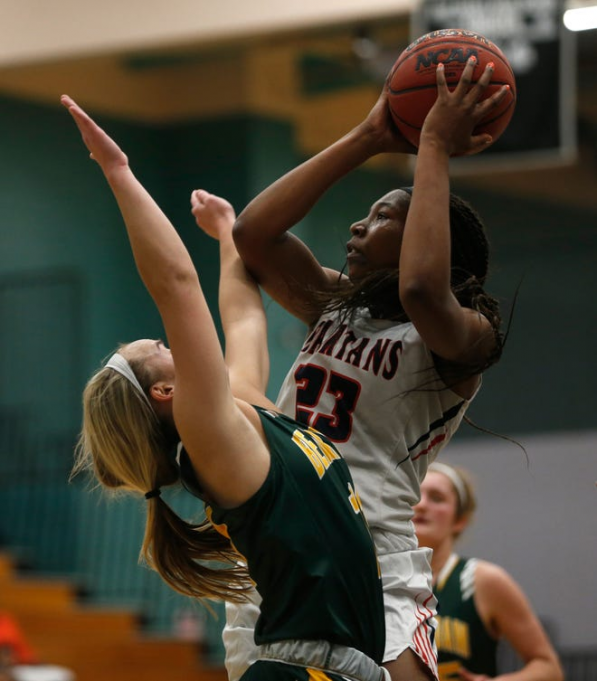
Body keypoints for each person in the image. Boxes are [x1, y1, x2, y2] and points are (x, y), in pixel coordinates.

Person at [62, 95, 388, 681]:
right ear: (165, 394)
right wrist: (118, 172)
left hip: (338, 667)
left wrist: (227, 235)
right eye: (157, 350)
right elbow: (176, 285)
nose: (168, 343)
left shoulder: (241, 421)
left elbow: (242, 320)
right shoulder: (209, 437)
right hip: (303, 670)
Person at [226, 57, 509, 681]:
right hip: (280, 544)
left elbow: (423, 292)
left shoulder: (463, 335)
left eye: (385, 216)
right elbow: (254, 234)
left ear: (427, 241)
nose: (359, 224)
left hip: (373, 552)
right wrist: (370, 137)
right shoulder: (332, 305)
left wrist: (432, 144)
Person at [413, 462, 564, 681]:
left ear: (460, 520)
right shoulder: (378, 579)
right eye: (414, 496)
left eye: (436, 498)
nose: (421, 505)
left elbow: (549, 668)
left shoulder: (483, 580)